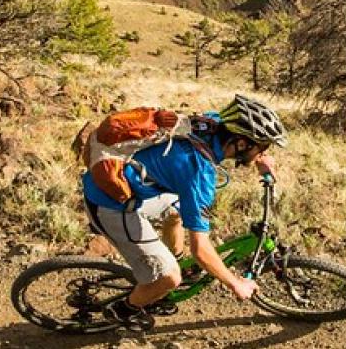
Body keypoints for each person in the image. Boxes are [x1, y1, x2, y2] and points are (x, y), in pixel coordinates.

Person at [82, 94, 289, 329]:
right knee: (170, 277)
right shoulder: (198, 173)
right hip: (110, 205)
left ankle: (178, 261)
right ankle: (123, 310)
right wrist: (235, 283)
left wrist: (260, 163)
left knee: (176, 213)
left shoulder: (211, 124)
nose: (263, 152)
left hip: (129, 186)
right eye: (261, 147)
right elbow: (200, 249)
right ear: (241, 144)